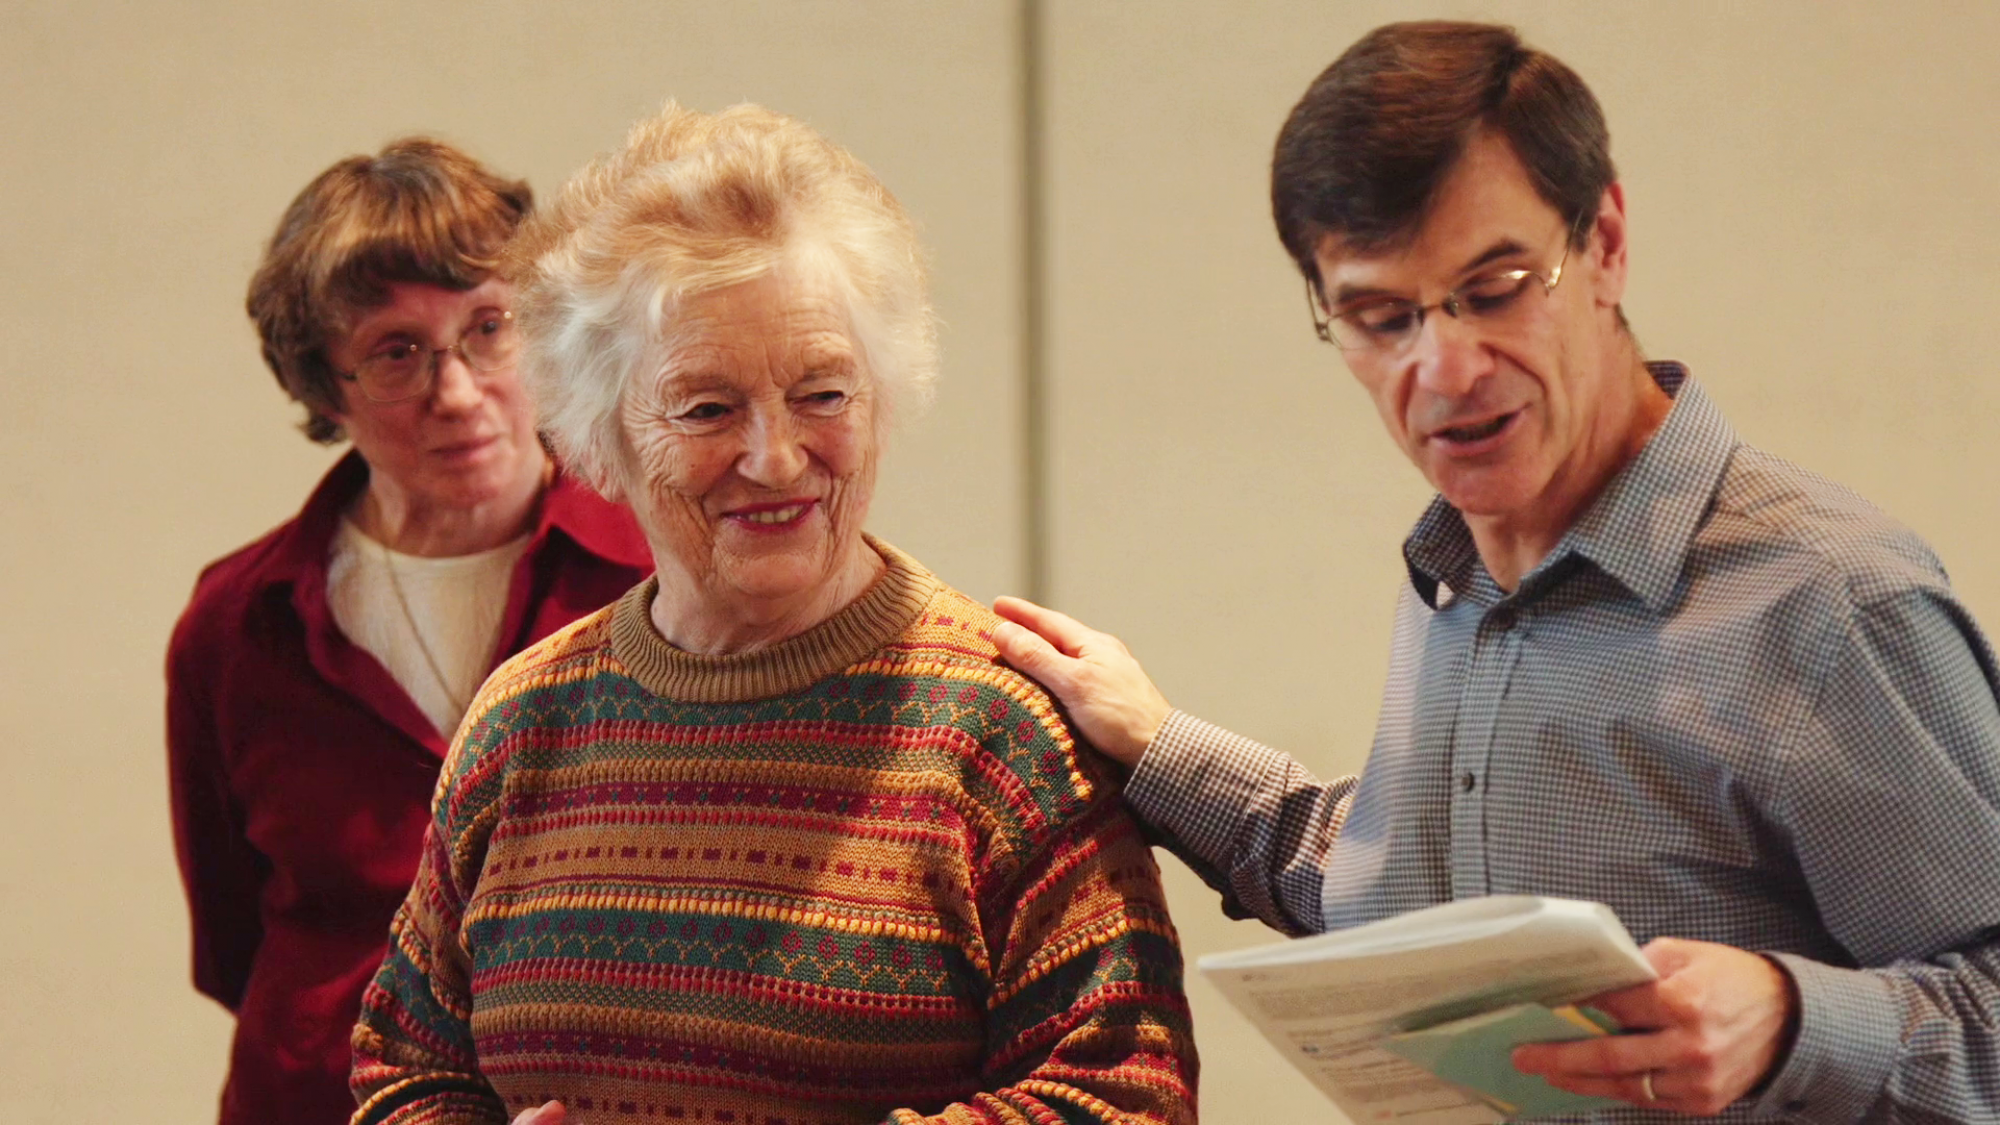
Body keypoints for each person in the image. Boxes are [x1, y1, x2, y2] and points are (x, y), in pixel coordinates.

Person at [991, 20, 2000, 1123]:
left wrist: (1794, 1019)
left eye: (1496, 286)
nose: (1446, 368)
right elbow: (1398, 911)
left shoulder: (1825, 604)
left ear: (1605, 241)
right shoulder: (1453, 585)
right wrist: (1154, 741)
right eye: (1382, 318)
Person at [348, 103, 1198, 1125]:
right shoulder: (525, 720)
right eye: (707, 408)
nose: (776, 457)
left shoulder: (1001, 731)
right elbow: (405, 1069)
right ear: (599, 436)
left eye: (822, 395)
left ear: (882, 397)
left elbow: (1125, 1097)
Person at [165, 139, 652, 1125]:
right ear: (322, 384)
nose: (458, 391)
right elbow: (236, 949)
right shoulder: (237, 626)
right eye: (397, 351)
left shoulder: (658, 580)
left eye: (488, 329)